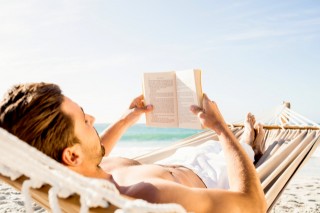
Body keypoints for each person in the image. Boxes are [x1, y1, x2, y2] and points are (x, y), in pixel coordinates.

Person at [0, 83, 267, 213]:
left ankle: (243, 138)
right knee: (238, 148)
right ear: (72, 155)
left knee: (211, 146)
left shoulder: (76, 176)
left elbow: (97, 149)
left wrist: (128, 118)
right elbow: (253, 206)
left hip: (177, 161)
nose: (92, 118)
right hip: (210, 174)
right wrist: (220, 127)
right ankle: (248, 140)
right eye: (83, 119)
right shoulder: (148, 198)